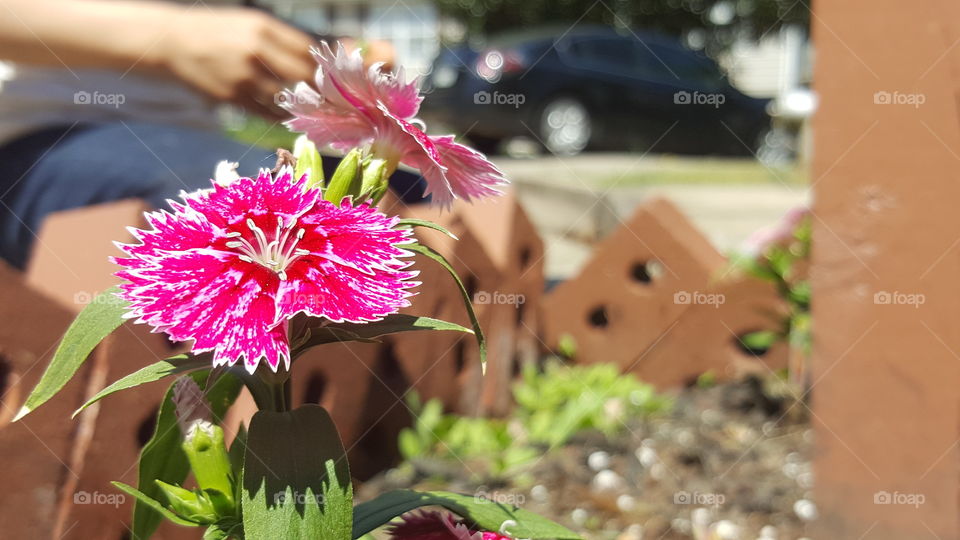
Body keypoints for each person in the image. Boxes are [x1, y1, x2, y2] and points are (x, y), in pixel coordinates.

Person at [0, 0, 424, 269]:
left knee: (421, 197)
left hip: (193, 143)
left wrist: (324, 57)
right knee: (257, 209)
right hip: (43, 137)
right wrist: (173, 37)